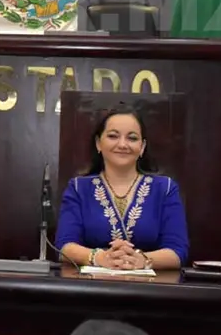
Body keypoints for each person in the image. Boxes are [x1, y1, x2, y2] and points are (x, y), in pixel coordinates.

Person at [54, 106, 189, 270]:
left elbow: (178, 251)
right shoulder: (78, 188)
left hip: (150, 290)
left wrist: (142, 260)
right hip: (91, 288)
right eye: (113, 136)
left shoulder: (165, 189)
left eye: (132, 138)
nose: (123, 144)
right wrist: (100, 258)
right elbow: (64, 247)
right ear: (98, 143)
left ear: (142, 147)